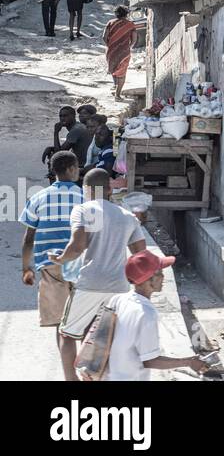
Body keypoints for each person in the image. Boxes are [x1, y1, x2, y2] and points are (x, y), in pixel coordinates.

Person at [50, 168, 148, 348]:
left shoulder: (82, 210)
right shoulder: (128, 217)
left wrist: (60, 259)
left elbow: (77, 247)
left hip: (90, 282)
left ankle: (72, 377)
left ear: (86, 190)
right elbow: (141, 254)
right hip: (119, 286)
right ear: (109, 189)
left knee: (67, 334)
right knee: (105, 335)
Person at [19, 151, 84, 381]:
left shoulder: (38, 197)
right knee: (85, 321)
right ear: (73, 170)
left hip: (50, 266)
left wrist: (26, 268)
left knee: (63, 326)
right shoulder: (85, 196)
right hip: (80, 264)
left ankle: (70, 378)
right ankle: (89, 371)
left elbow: (28, 238)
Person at [107, 251, 209, 381]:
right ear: (148, 280)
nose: (163, 276)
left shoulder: (119, 299)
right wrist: (189, 362)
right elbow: (150, 361)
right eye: (159, 273)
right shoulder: (146, 313)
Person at [104, 6, 135, 100]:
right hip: (124, 52)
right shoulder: (130, 25)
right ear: (126, 14)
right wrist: (128, 47)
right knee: (122, 73)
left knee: (113, 69)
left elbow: (104, 37)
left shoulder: (110, 23)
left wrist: (110, 46)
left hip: (111, 51)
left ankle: (115, 86)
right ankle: (117, 95)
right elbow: (134, 39)